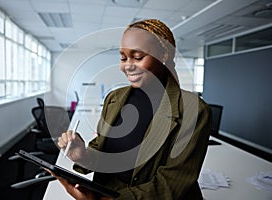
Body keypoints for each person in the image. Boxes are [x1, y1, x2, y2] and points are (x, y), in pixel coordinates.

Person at [53, 19, 212, 200]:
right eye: (123, 57)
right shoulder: (114, 98)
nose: (127, 66)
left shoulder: (194, 110)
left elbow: (171, 183)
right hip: (107, 191)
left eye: (137, 57)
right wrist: (84, 156)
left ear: (164, 55)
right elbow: (104, 153)